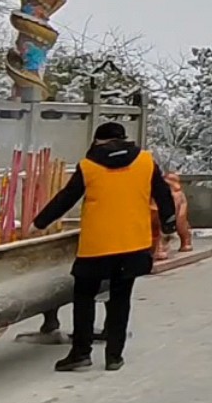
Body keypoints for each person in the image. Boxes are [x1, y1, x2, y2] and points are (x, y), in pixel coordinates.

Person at [33, 121, 176, 373]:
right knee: (121, 298)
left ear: (98, 141)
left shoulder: (88, 166)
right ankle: (114, 356)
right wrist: (168, 225)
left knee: (84, 297)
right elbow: (164, 194)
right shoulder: (145, 161)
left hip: (96, 247)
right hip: (134, 243)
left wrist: (39, 223)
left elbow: (66, 198)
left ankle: (81, 353)